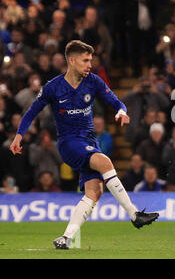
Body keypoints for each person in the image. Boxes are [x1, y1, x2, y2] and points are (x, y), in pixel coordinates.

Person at [9, 40, 159, 250]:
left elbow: (117, 102)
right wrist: (18, 136)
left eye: (91, 60)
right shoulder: (53, 87)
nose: (90, 64)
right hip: (69, 143)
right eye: (85, 60)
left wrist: (121, 111)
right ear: (71, 60)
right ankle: (134, 214)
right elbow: (31, 112)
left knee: (94, 191)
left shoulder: (93, 82)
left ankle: (66, 238)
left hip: (90, 142)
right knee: (105, 162)